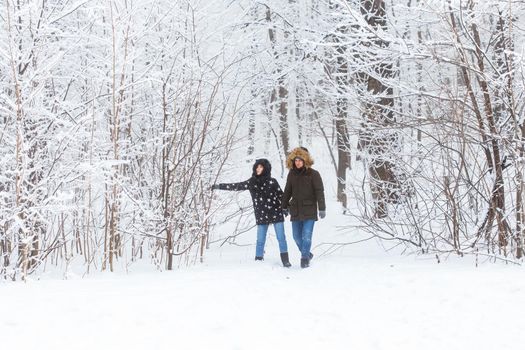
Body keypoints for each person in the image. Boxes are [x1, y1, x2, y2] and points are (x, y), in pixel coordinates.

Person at [211, 159, 292, 267]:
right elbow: (237, 186)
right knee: (260, 240)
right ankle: (258, 260)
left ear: (266, 169)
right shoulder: (252, 182)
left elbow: (281, 196)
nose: (258, 169)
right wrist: (219, 186)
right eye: (257, 167)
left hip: (275, 212)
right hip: (261, 214)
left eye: (261, 167)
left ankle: (285, 261)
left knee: (281, 238)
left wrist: (286, 207)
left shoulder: (272, 181)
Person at [282, 147, 326, 268]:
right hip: (295, 210)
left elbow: (319, 191)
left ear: (305, 160)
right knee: (296, 237)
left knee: (306, 236)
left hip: (309, 209)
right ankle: (307, 253)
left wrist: (322, 208)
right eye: (296, 160)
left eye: (300, 160)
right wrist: (284, 206)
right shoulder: (291, 174)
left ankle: (304, 258)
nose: (298, 162)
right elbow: (287, 191)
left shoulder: (314, 174)